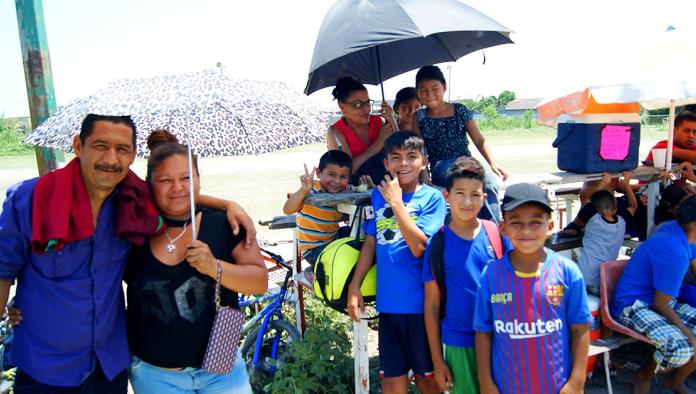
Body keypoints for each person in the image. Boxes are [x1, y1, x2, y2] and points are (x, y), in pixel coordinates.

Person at [0, 114, 255, 393]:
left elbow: (174, 196)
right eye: (100, 146)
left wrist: (227, 204)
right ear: (77, 146)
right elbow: (3, 269)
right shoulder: (32, 199)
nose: (111, 158)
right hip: (46, 368)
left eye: (122, 149)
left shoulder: (131, 202)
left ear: (133, 155)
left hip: (109, 367)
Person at [125, 130, 267, 393]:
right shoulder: (134, 229)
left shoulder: (225, 222)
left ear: (199, 180)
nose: (178, 187)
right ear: (149, 184)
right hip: (156, 375)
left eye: (187, 178)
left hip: (222, 369)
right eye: (165, 180)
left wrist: (215, 267)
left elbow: (259, 281)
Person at [347, 131, 446, 394]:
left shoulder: (432, 198)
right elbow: (371, 241)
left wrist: (397, 202)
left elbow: (419, 247)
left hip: (420, 308)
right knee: (392, 380)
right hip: (389, 306)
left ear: (424, 161)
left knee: (427, 380)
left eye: (411, 157)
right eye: (396, 158)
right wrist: (354, 286)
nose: (403, 163)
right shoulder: (379, 196)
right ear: (386, 164)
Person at [474, 183, 591, 394]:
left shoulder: (568, 273)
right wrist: (486, 382)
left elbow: (580, 329)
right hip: (506, 386)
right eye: (516, 222)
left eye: (536, 222)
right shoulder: (491, 276)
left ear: (551, 225)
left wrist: (576, 382)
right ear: (503, 227)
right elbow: (483, 332)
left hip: (556, 387)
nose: (526, 230)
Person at [422, 157, 512, 394]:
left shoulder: (495, 234)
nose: (467, 201)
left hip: (498, 340)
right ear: (447, 196)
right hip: (458, 342)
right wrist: (437, 362)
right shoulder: (438, 243)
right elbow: (431, 306)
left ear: (484, 199)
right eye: (460, 193)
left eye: (475, 194)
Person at [610, 193, 696, 394]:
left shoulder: (678, 230)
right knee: (682, 348)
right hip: (632, 305)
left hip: (658, 302)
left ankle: (676, 380)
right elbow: (661, 304)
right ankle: (644, 376)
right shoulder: (675, 251)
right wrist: (691, 338)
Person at [412, 65, 508, 222]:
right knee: (463, 183)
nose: (429, 94)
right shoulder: (419, 117)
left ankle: (493, 229)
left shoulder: (460, 110)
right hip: (441, 165)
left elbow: (478, 139)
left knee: (488, 181)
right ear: (417, 92)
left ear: (444, 87)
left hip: (467, 160)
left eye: (435, 88)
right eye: (423, 90)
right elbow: (419, 149)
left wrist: (492, 163)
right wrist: (424, 177)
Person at [283, 150, 352, 268]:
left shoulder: (345, 189)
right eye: (331, 175)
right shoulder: (310, 190)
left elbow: (358, 191)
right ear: (318, 173)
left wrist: (367, 185)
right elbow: (287, 209)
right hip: (313, 249)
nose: (336, 181)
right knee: (348, 256)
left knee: (359, 235)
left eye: (343, 177)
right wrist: (303, 191)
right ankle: (316, 271)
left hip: (332, 239)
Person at [327, 76, 397, 186]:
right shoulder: (336, 132)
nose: (366, 109)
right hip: (357, 190)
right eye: (358, 104)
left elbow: (400, 151)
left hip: (387, 185)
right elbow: (346, 170)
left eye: (368, 103)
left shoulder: (378, 122)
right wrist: (380, 142)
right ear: (342, 107)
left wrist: (393, 121)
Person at [578, 173, 637, 295]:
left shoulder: (591, 217)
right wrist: (627, 185)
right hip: (603, 283)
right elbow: (633, 206)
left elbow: (583, 195)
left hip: (582, 278)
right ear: (615, 209)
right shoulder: (622, 222)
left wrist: (602, 185)